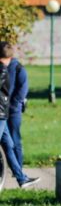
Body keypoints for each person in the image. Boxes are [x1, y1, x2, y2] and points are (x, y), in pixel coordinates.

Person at [0, 42, 39, 188]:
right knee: (9, 144)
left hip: (9, 111)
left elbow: (22, 90)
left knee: (11, 143)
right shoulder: (2, 70)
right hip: (1, 112)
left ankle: (20, 176)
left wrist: (12, 106)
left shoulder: (17, 69)